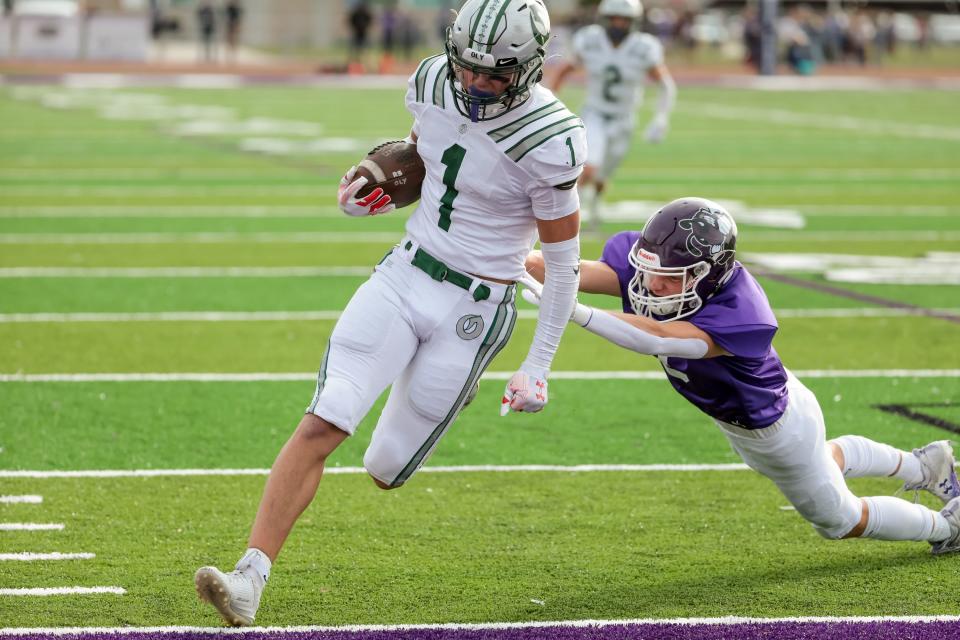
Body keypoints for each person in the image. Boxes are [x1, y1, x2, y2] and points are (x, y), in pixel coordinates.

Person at [194, 0, 586, 626]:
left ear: (532, 66)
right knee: (326, 420)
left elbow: (563, 267)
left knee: (384, 468)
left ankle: (442, 395)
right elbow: (422, 155)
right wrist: (373, 191)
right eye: (469, 69)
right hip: (404, 275)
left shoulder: (551, 137)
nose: (477, 85)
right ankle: (249, 580)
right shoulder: (432, 79)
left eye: (496, 75)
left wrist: (538, 365)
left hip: (476, 306)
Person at [523, 197, 960, 555]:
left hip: (774, 430)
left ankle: (946, 526)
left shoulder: (741, 312)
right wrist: (504, 257)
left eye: (668, 277)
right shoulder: (657, 268)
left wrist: (571, 311)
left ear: (706, 275)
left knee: (840, 520)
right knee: (823, 459)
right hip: (772, 405)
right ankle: (923, 464)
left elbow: (657, 337)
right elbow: (575, 272)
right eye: (649, 269)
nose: (651, 284)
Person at [551, 0, 675, 231]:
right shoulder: (590, 39)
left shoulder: (644, 46)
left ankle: (594, 207)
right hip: (594, 113)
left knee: (601, 176)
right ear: (605, 19)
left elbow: (665, 84)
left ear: (634, 22)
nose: (619, 24)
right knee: (588, 168)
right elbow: (564, 70)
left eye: (625, 20)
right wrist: (550, 101)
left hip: (624, 119)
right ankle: (562, 216)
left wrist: (661, 117)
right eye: (615, 18)